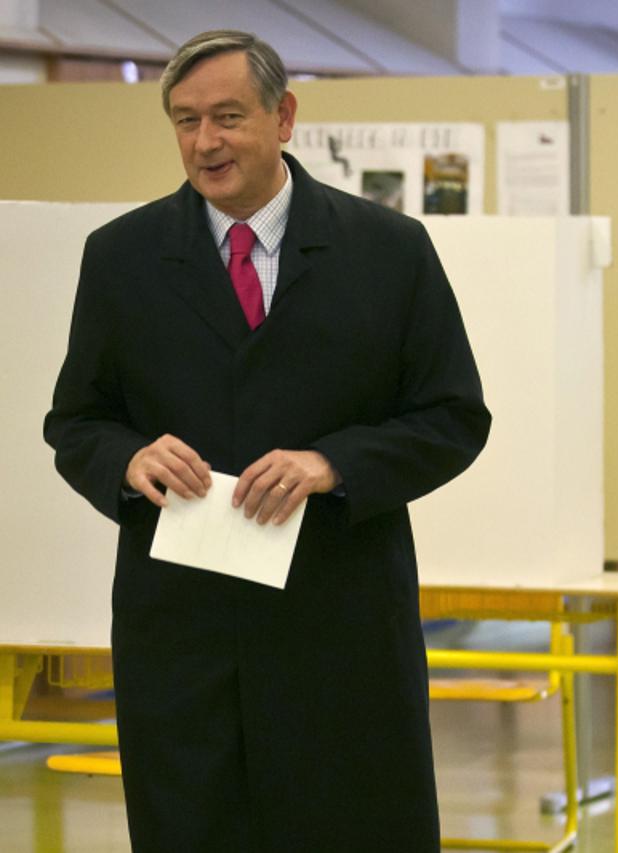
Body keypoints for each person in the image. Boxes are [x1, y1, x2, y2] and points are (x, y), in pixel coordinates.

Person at [44, 30, 490, 852]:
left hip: (339, 626)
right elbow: (76, 422)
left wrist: (334, 463)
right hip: (181, 635)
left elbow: (453, 417)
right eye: (184, 121)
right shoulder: (122, 259)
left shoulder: (388, 253)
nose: (204, 142)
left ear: (284, 117)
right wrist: (128, 459)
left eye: (226, 116)